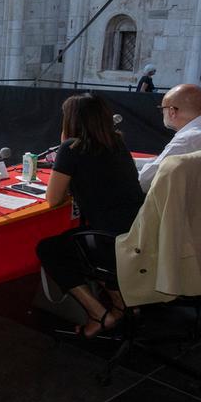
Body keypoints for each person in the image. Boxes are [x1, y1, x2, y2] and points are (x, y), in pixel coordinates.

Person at [36, 93, 145, 337]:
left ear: (72, 120)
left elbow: (53, 199)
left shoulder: (72, 147)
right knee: (90, 244)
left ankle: (98, 314)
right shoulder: (116, 143)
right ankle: (124, 306)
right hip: (138, 233)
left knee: (49, 249)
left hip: (109, 241)